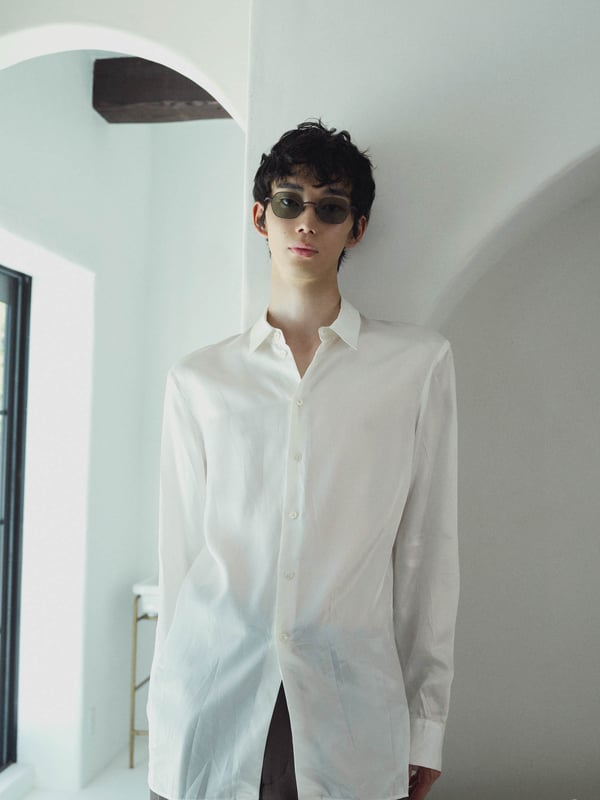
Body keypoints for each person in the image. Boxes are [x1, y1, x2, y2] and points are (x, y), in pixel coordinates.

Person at [147, 120, 459, 800]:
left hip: (351, 708)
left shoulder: (416, 366)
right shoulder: (199, 380)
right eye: (289, 201)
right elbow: (180, 559)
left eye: (331, 207)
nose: (307, 222)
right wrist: (165, 723)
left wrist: (426, 723)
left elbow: (426, 552)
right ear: (260, 217)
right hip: (212, 697)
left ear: (357, 228)